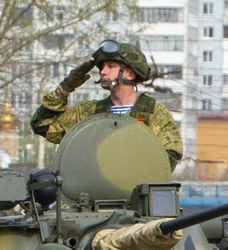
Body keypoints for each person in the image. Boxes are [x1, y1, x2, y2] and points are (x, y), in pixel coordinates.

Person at [33, 39, 185, 167]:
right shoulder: (89, 113)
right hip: (95, 190)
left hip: (135, 191)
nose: (103, 72)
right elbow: (42, 125)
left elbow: (169, 158)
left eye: (111, 66)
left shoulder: (153, 113)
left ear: (130, 73)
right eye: (102, 67)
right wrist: (66, 87)